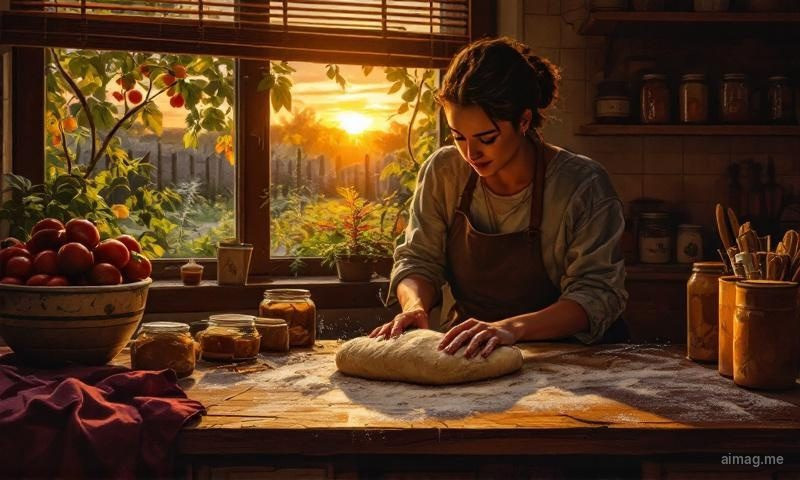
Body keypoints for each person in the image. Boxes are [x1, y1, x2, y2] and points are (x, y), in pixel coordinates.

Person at [369, 36, 628, 359]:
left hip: (574, 361)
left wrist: (511, 328)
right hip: (474, 354)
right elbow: (419, 259)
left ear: (524, 121)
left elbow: (596, 294)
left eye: (486, 138)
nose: (470, 153)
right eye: (458, 137)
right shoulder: (444, 171)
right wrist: (415, 305)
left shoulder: (582, 185)